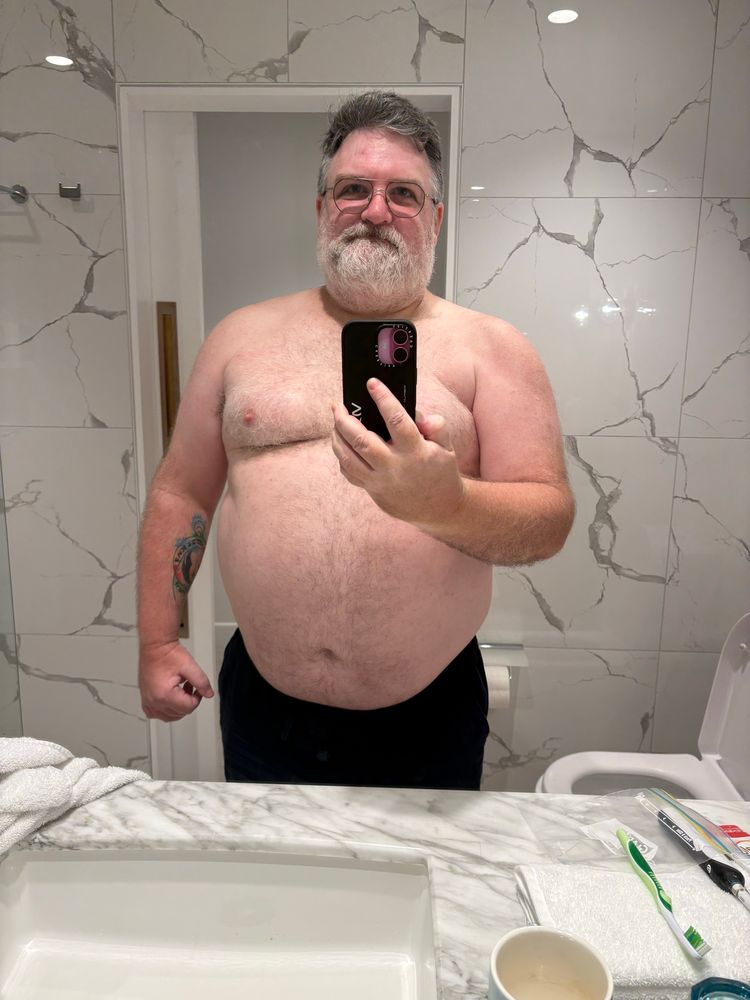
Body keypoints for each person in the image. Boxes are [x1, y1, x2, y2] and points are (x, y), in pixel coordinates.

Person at [137, 90, 575, 790]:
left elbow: (548, 520)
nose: (376, 210)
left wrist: (447, 504)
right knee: (266, 867)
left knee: (426, 868)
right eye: (353, 190)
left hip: (428, 713)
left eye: (403, 193)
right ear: (321, 209)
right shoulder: (238, 338)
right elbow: (181, 491)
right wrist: (159, 641)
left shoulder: (493, 349)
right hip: (263, 708)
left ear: (435, 218)